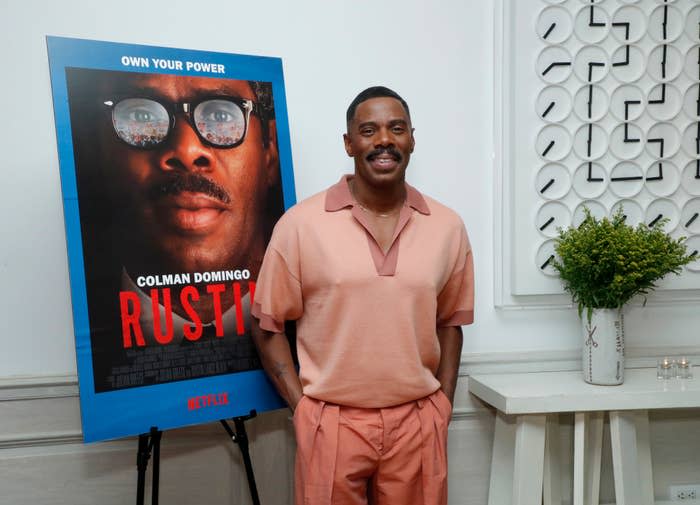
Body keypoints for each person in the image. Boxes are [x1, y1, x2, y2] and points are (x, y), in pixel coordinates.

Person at [251, 86, 474, 505]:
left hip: (417, 422)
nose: (384, 140)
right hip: (331, 423)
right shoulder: (300, 225)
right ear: (349, 143)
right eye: (368, 130)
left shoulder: (447, 226)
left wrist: (441, 407)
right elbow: (267, 325)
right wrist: (303, 411)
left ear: (412, 138)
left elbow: (451, 324)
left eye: (396, 128)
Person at [65, 68, 285, 392]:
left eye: (222, 114)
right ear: (96, 149)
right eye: (141, 114)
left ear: (270, 150)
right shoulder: (91, 340)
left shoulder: (305, 314)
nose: (186, 150)